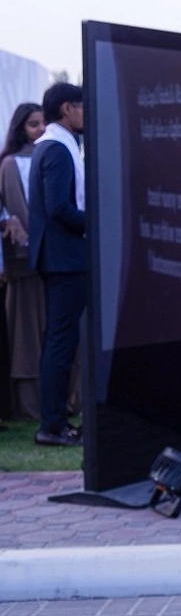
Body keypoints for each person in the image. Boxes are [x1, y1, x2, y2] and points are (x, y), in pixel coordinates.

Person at [28, 83, 86, 446]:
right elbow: (58, 207)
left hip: (61, 257)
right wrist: (97, 222)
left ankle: (56, 420)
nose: (85, 113)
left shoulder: (55, 145)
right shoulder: (57, 148)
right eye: (82, 106)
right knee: (61, 343)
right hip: (63, 259)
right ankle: (52, 425)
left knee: (61, 341)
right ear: (67, 108)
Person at [0, 103, 46, 419]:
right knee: (26, 330)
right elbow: (16, 211)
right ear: (20, 128)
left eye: (43, 123)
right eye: (33, 124)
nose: (40, 129)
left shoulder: (51, 155)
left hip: (49, 259)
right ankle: (28, 402)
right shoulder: (11, 164)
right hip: (26, 260)